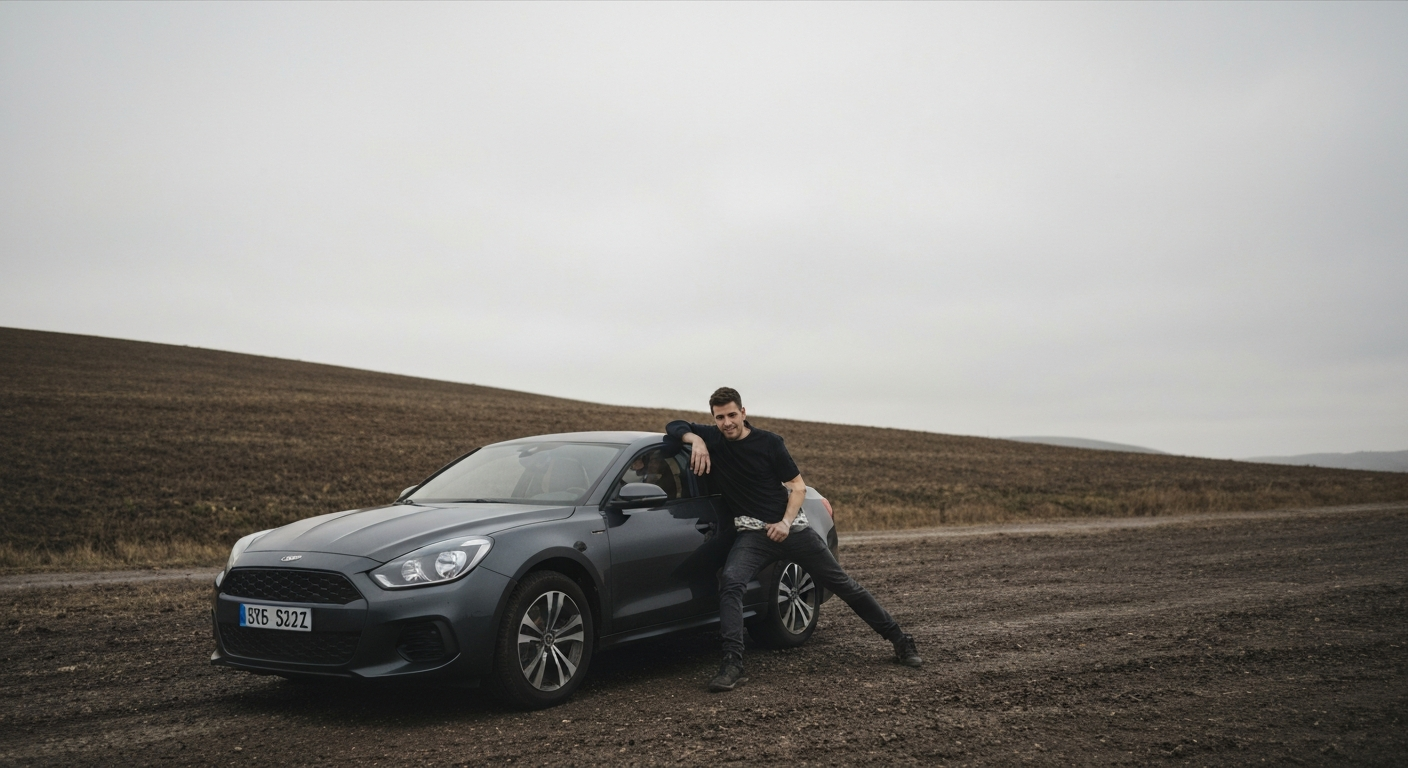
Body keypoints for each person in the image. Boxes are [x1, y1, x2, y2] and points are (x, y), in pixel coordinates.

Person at [666, 387, 922, 692]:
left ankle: (900, 640)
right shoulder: (713, 437)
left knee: (842, 583)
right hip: (753, 534)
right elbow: (674, 426)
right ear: (714, 418)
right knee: (732, 583)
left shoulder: (769, 442)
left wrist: (785, 523)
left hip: (792, 530)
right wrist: (695, 439)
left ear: (743, 412)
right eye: (720, 417)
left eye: (732, 415)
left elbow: (798, 487)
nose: (727, 422)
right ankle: (733, 664)